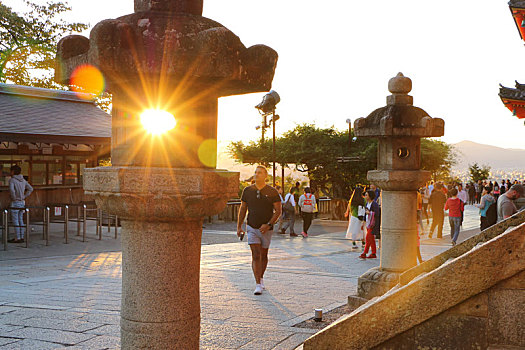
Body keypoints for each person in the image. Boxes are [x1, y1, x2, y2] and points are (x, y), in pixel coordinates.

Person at [237, 166, 282, 295]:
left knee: (263, 254)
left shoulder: (272, 191)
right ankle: (257, 284)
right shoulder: (247, 191)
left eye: (260, 173)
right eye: (255, 172)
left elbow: (278, 211)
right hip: (251, 226)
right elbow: (243, 208)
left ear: (265, 175)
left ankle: (261, 278)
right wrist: (239, 226)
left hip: (266, 229)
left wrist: (268, 224)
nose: (257, 175)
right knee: (256, 254)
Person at [7, 165, 33, 243]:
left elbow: (12, 190)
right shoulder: (23, 180)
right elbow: (31, 189)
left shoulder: (12, 180)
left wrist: (14, 197)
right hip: (22, 202)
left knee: (15, 221)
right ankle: (21, 236)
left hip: (15, 202)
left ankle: (17, 237)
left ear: (13, 171)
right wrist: (24, 196)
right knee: (21, 219)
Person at [359, 190, 380, 259]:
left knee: (368, 238)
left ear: (370, 196)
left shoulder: (374, 204)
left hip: (373, 224)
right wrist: (364, 222)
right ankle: (373, 253)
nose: (365, 196)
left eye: (367, 195)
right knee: (371, 239)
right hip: (368, 223)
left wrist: (370, 213)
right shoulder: (367, 203)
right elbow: (365, 213)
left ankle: (365, 253)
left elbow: (377, 214)